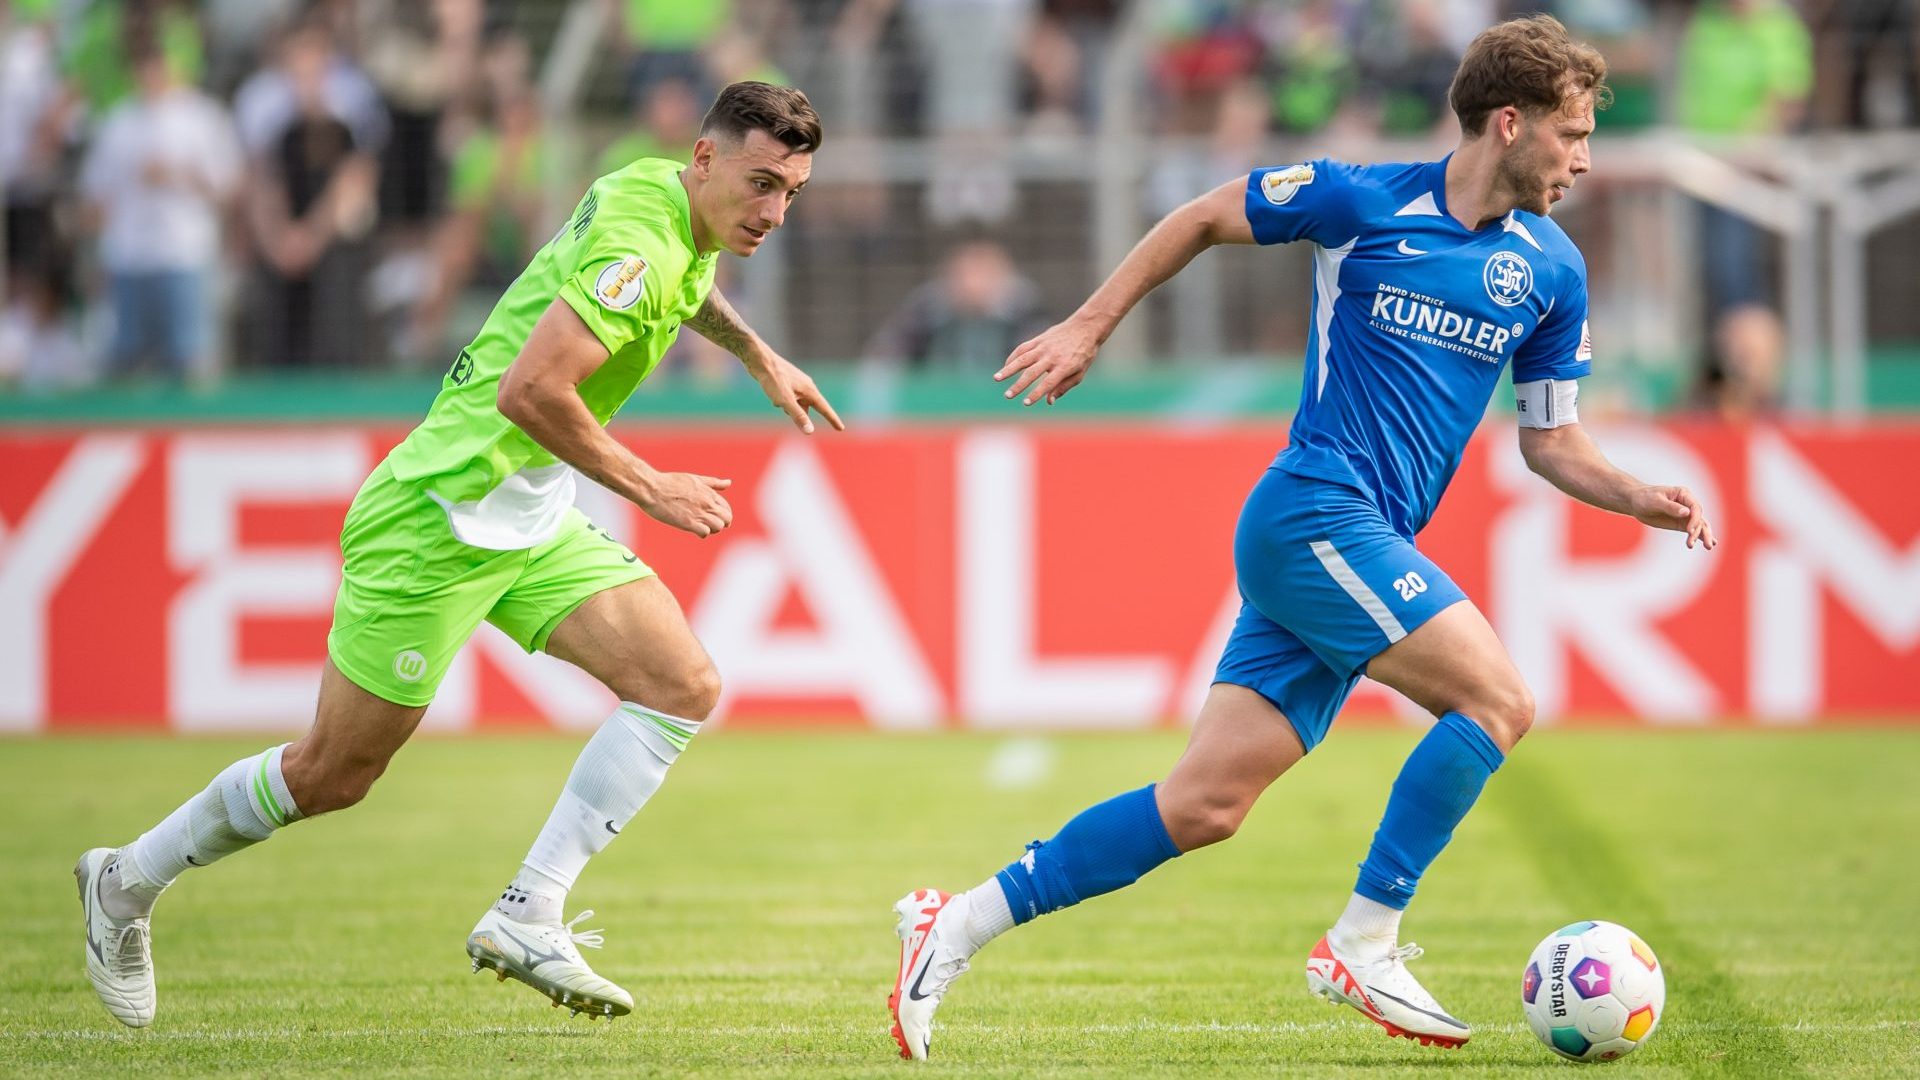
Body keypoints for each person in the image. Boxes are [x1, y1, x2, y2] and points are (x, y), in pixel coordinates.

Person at [888, 15, 1716, 1060]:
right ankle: (1365, 941)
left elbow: (1552, 442)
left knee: (1204, 805)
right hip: (1316, 511)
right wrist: (1091, 324)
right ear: (1510, 123)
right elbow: (1199, 215)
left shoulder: (1551, 269)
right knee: (1497, 699)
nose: (1586, 156)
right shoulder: (1362, 200)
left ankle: (949, 924)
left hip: (1348, 540)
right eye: (1573, 132)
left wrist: (1639, 494)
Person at [76, 81, 841, 1029]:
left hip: (523, 514)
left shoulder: (661, 198)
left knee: (680, 684)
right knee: (331, 776)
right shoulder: (638, 248)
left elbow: (687, 285)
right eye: (761, 185)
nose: (772, 212)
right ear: (705, 158)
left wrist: (758, 355)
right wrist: (653, 487)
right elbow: (531, 391)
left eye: (791, 194)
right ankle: (124, 881)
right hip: (435, 519)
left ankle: (531, 910)